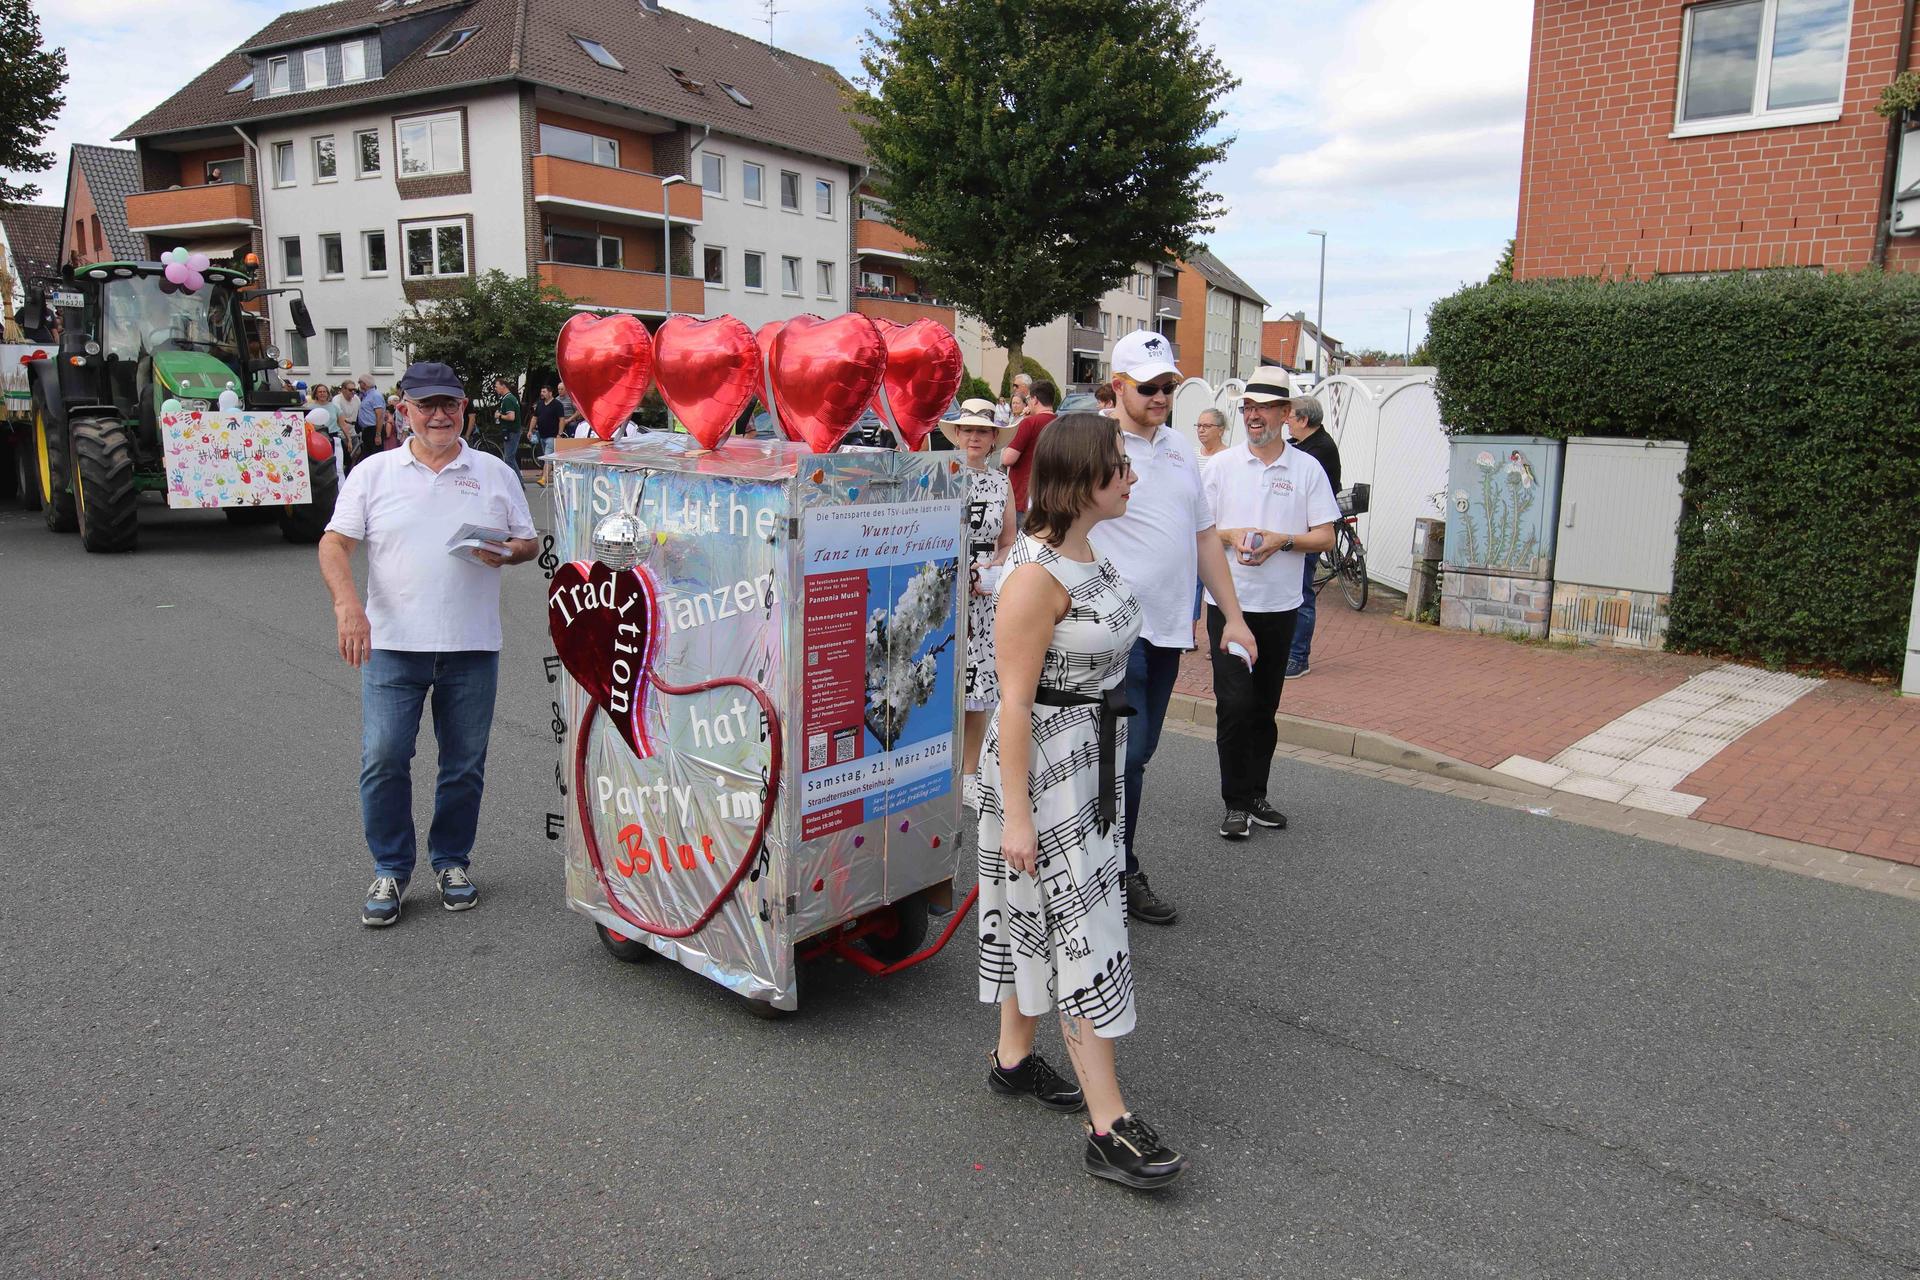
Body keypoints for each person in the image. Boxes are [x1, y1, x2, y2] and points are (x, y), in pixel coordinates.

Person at [977, 411, 1189, 1192]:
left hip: (1089, 759)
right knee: (1082, 930)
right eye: (1118, 468)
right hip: (1049, 773)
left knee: (1037, 912)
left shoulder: (1083, 549)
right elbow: (1011, 704)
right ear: (1079, 482)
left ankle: (1011, 1061)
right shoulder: (1035, 578)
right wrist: (1020, 817)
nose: (1131, 479)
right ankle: (1108, 1125)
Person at [317, 361, 539, 927]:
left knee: (464, 765)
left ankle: (451, 862)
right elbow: (334, 544)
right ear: (404, 410)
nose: (438, 414)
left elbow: (526, 542)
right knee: (384, 757)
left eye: (449, 404)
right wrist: (348, 606)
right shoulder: (373, 473)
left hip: (472, 645)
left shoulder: (494, 472)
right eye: (425, 405)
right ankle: (391, 868)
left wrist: (508, 552)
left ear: (464, 408)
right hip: (393, 644)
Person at [1090, 329, 1258, 926]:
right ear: (1118, 387)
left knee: (1137, 754)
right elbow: (1055, 524)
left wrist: (1232, 617)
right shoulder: (1097, 445)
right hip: (1114, 629)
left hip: (1167, 629)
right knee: (1125, 754)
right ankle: (1116, 867)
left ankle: (1102, 861)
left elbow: (1204, 535)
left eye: (1170, 386)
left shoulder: (1182, 448)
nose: (1162, 397)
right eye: (1150, 387)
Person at [1205, 377, 1340, 840]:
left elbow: (1325, 535)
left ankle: (1256, 794)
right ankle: (1235, 802)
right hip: (1228, 605)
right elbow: (1201, 531)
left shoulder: (1306, 469)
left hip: (1281, 607)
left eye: (1264, 408)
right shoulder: (1221, 466)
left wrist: (1283, 541)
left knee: (1264, 708)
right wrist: (1232, 534)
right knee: (1234, 704)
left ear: (1286, 413)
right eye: (1247, 408)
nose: (1254, 416)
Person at [942, 400, 1017, 804]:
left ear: (992, 440)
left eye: (982, 431)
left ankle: (969, 775)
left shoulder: (1001, 483)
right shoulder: (939, 477)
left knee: (976, 687)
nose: (974, 437)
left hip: (982, 598)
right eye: (967, 429)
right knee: (938, 684)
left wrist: (992, 568)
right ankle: (938, 770)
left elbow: (1008, 541)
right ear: (956, 434)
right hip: (941, 590)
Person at [1280, 389, 1341, 679]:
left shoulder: (1317, 451)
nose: (1286, 423)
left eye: (1289, 417)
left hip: (1308, 535)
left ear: (1303, 420)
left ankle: (1298, 657)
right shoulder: (1305, 444)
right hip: (1298, 532)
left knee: (1302, 593)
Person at [999, 379, 1058, 524]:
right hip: (1052, 495)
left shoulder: (1028, 423)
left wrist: (1022, 420)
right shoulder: (1060, 423)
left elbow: (1008, 459)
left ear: (1035, 399)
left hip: (1023, 496)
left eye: (1029, 399)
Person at [533, 384, 565, 486]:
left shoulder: (557, 404)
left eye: (544, 392)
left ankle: (544, 478)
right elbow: (535, 417)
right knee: (546, 456)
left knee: (548, 457)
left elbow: (561, 420)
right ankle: (547, 474)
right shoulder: (540, 404)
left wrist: (559, 433)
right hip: (541, 434)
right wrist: (530, 430)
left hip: (552, 435)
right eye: (541, 392)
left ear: (550, 393)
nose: (542, 394)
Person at [492, 377, 523, 475]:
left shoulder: (508, 399)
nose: (495, 389)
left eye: (497, 386)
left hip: (511, 432)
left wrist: (499, 415)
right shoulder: (509, 398)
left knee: (509, 458)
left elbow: (511, 417)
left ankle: (517, 482)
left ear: (503, 386)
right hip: (512, 431)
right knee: (510, 458)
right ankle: (518, 482)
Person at [354, 375, 388, 457]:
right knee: (368, 456)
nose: (359, 385)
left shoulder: (375, 396)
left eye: (360, 382)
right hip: (367, 431)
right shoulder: (367, 395)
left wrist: (378, 435)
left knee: (375, 456)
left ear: (365, 384)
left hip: (374, 430)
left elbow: (379, 416)